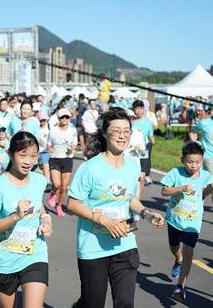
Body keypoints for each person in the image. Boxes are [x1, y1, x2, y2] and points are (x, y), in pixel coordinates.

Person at [67, 108, 165, 308]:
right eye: (117, 131)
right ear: (104, 133)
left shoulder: (133, 166)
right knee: (92, 304)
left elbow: (128, 198)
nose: (123, 136)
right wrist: (102, 220)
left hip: (125, 243)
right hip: (93, 246)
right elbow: (73, 204)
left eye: (127, 131)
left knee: (125, 303)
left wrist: (147, 213)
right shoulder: (90, 168)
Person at [0, 131, 53, 308]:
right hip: (5, 260)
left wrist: (46, 219)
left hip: (35, 254)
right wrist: (15, 216)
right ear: (11, 154)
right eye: (23, 155)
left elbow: (38, 204)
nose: (28, 161)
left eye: (33, 156)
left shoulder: (39, 181)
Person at [161, 142, 213, 302]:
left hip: (193, 223)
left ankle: (180, 286)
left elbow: (212, 183)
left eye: (197, 162)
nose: (194, 165)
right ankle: (178, 259)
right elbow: (164, 191)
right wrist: (180, 188)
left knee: (188, 252)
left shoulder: (204, 174)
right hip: (175, 220)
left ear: (202, 160)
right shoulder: (175, 173)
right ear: (182, 159)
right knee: (174, 247)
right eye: (190, 162)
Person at [47, 108, 78, 217]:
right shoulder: (53, 131)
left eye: (67, 117)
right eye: (62, 117)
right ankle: (53, 193)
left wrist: (72, 151)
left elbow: (74, 145)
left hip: (67, 159)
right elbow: (49, 144)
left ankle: (59, 205)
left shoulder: (73, 131)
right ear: (59, 118)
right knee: (57, 184)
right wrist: (50, 150)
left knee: (64, 186)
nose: (65, 119)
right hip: (55, 159)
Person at [131, 100, 155, 191]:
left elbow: (151, 136)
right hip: (131, 153)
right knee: (133, 177)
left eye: (141, 109)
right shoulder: (130, 122)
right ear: (133, 110)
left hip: (143, 152)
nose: (139, 111)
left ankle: (138, 197)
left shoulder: (148, 122)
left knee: (142, 177)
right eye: (137, 109)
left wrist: (152, 141)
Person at [37, 112, 52, 192]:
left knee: (47, 167)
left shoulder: (49, 127)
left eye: (44, 120)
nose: (42, 122)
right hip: (39, 151)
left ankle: (48, 182)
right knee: (43, 166)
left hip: (48, 150)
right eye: (41, 120)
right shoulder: (36, 128)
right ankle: (46, 183)